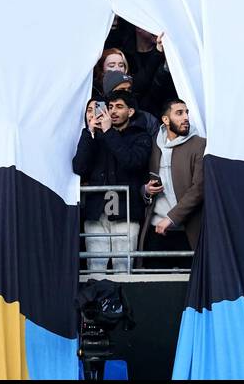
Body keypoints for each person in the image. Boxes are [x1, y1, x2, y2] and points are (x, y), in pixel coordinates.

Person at [72, 91, 151, 274]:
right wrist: (90, 132)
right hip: (96, 211)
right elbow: (79, 168)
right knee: (95, 268)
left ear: (130, 112)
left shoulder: (141, 136)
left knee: (124, 268)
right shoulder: (95, 137)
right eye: (110, 107)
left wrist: (108, 133)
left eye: (119, 106)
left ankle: (123, 303)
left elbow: (131, 161)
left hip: (126, 212)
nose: (112, 111)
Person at [138, 99, 204, 270]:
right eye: (179, 113)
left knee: (190, 284)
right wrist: (146, 190)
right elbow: (139, 177)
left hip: (187, 230)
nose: (186, 117)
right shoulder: (154, 144)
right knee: (154, 283)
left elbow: (199, 188)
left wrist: (172, 218)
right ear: (165, 120)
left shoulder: (199, 144)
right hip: (156, 229)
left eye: (187, 112)